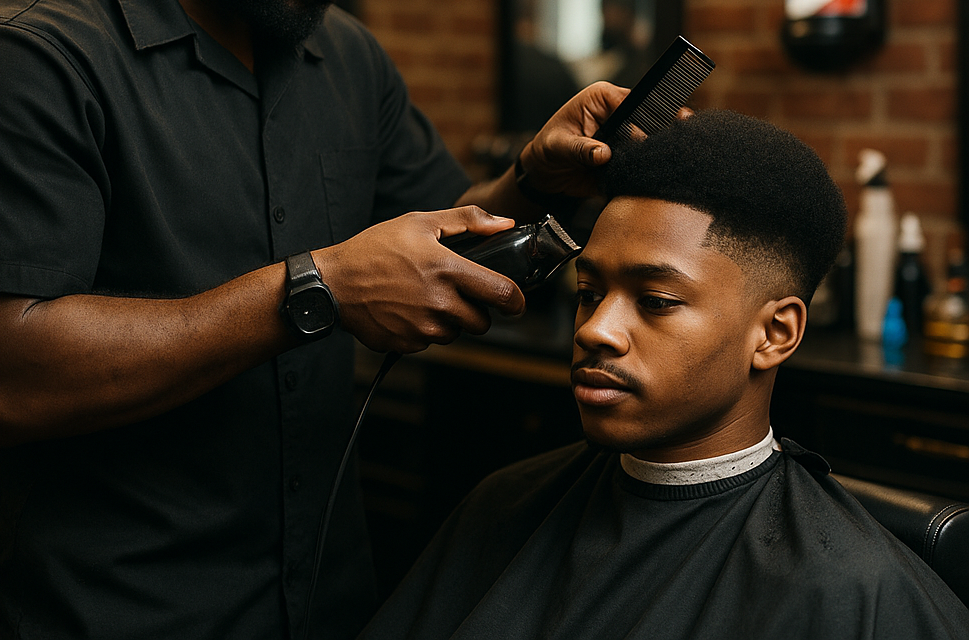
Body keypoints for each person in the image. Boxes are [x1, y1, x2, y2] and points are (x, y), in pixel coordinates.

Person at [0, 0, 628, 640]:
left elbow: (438, 238)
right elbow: (6, 374)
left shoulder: (344, 55)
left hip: (322, 603)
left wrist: (532, 180)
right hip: (112, 616)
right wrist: (315, 288)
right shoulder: (30, 57)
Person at [359, 109, 969, 640]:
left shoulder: (852, 590)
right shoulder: (504, 506)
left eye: (656, 301)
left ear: (775, 333)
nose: (595, 330)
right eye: (589, 292)